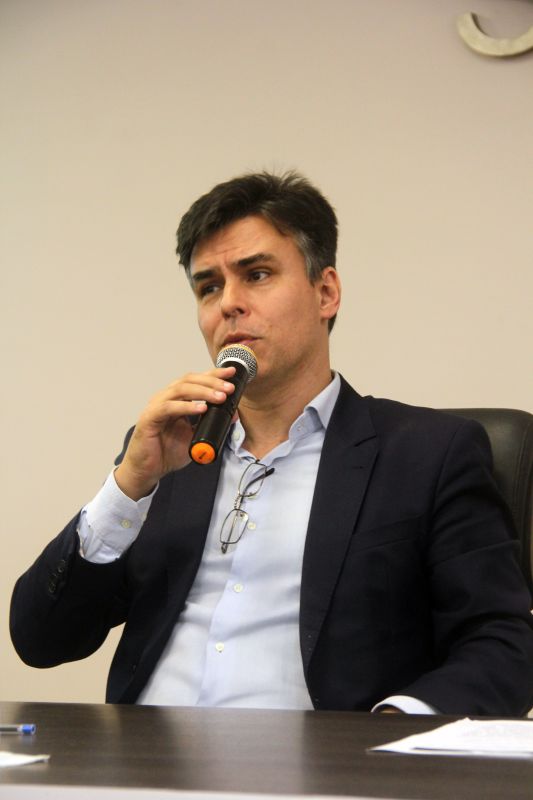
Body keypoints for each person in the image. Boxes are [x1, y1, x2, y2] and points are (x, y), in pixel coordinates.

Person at [10, 171, 533, 715]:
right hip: (148, 756)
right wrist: (128, 486)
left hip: (327, 761)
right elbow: (41, 640)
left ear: (325, 292)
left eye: (256, 275)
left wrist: (388, 734)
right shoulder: (169, 454)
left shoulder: (427, 454)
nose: (228, 304)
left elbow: (503, 644)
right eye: (209, 287)